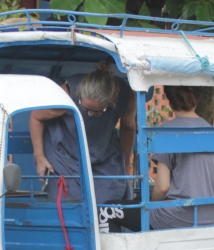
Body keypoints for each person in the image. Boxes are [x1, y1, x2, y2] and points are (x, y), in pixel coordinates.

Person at [29, 61, 137, 213]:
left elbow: (128, 127)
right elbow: (36, 116)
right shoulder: (66, 94)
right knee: (72, 204)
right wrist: (39, 156)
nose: (90, 114)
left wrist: (125, 163)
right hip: (64, 150)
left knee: (113, 197)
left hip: (102, 150)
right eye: (86, 108)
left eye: (97, 112)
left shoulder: (126, 97)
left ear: (111, 102)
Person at [148, 86, 214, 230]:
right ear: (197, 99)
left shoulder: (167, 131)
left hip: (177, 216)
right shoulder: (211, 131)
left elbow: (162, 186)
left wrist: (150, 204)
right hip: (209, 215)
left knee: (111, 212)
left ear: (169, 100)